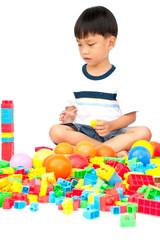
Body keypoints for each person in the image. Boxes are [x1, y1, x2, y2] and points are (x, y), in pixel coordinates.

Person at [49, 6, 151, 157]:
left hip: (114, 133)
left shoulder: (120, 78)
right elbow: (71, 108)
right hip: (85, 134)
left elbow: (131, 116)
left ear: (110, 43)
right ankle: (106, 150)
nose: (84, 50)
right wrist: (69, 117)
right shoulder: (75, 77)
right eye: (79, 44)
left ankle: (96, 151)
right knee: (56, 130)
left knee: (144, 132)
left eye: (90, 44)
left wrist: (111, 126)